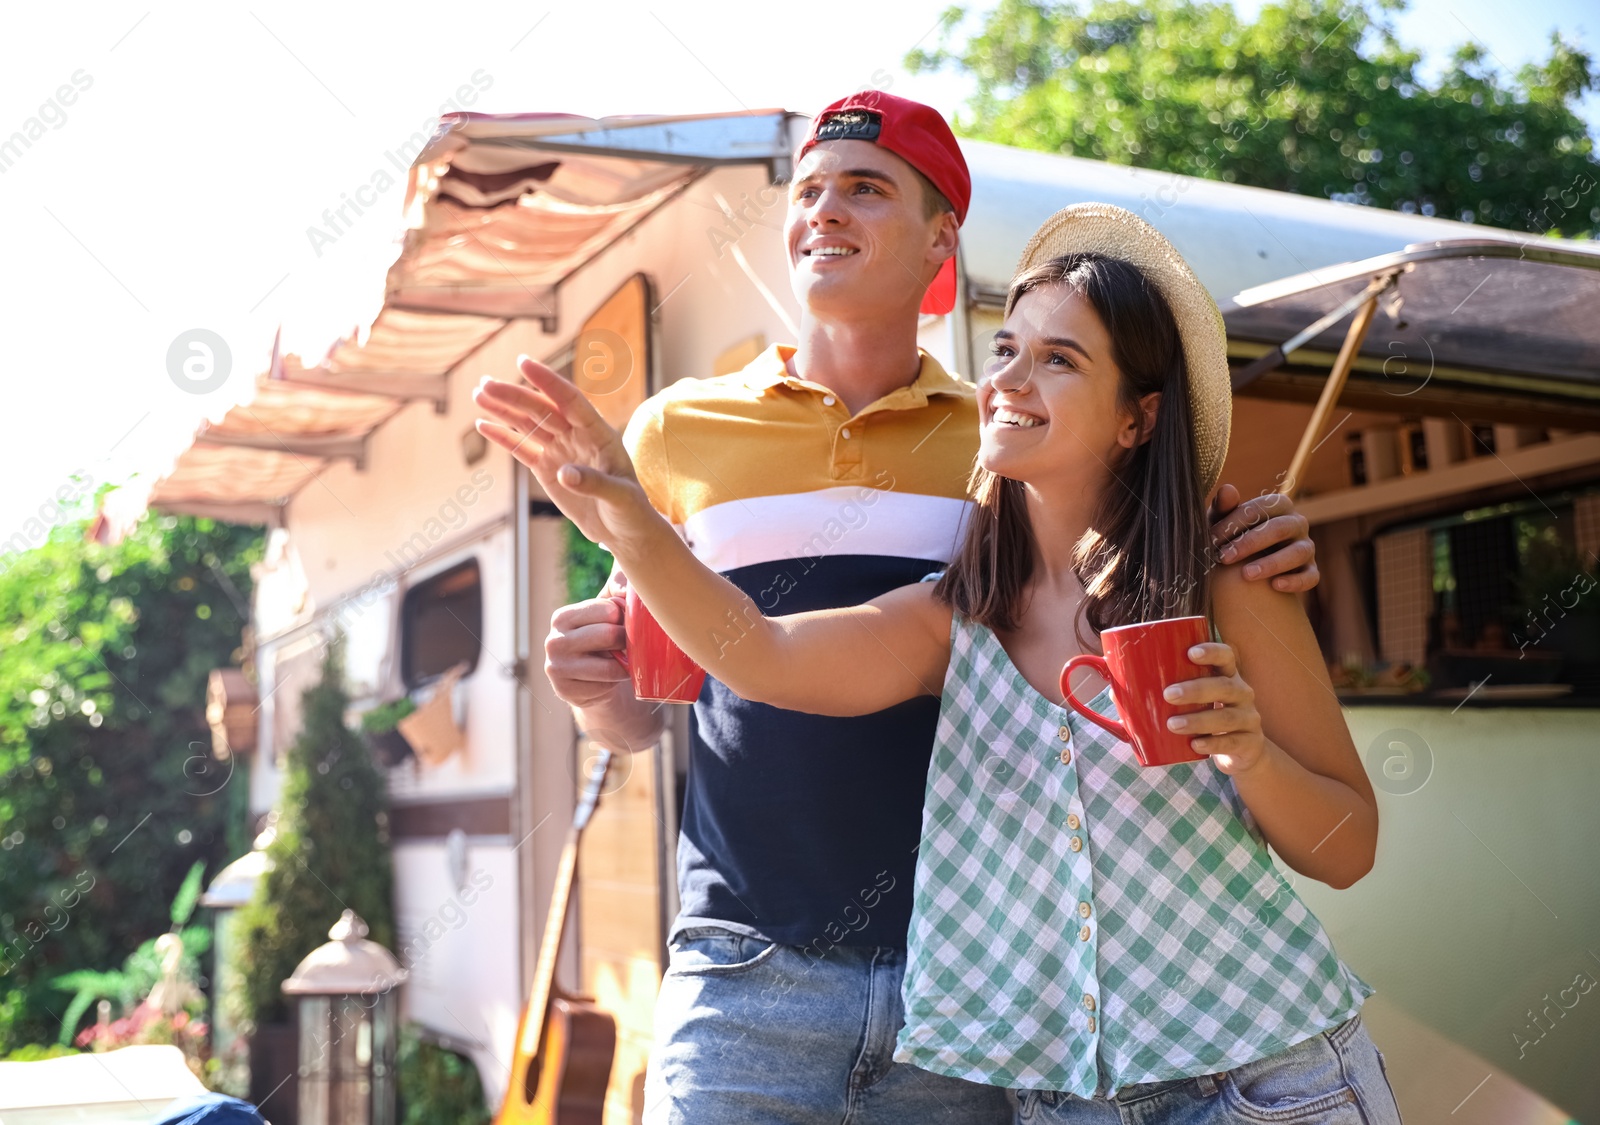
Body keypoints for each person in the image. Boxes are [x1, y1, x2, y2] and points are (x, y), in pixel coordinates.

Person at [477, 94, 1326, 1124]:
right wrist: (594, 698)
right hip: (748, 962)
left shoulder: (1009, 436)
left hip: (970, 982)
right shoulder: (672, 433)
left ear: (940, 239)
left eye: (865, 190)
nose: (824, 212)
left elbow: (1145, 523)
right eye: (810, 190)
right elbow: (675, 694)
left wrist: (1255, 532)